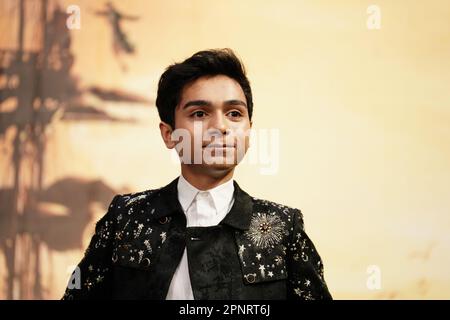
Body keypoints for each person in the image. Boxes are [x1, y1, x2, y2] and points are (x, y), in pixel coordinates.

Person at [62, 48, 332, 300]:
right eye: (200, 113)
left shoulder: (282, 227)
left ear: (249, 130)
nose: (220, 127)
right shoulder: (127, 218)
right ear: (169, 134)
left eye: (235, 113)